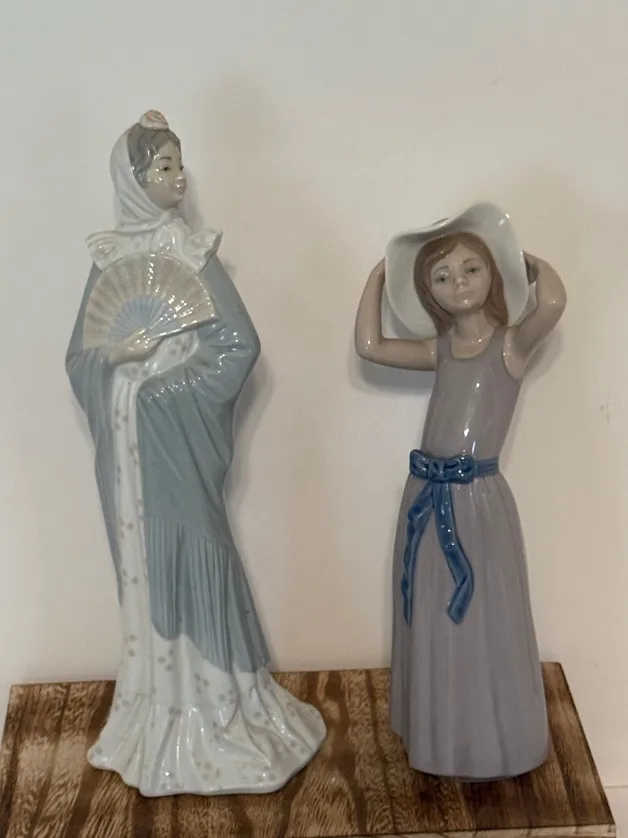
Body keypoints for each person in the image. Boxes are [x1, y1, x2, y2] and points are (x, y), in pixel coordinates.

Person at [66, 111, 325, 796]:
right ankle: (156, 704)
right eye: (163, 167)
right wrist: (116, 359)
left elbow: (239, 345)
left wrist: (165, 390)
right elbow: (79, 358)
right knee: (142, 568)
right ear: (133, 179)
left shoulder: (190, 252)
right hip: (126, 453)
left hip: (173, 438)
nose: (178, 178)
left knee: (198, 549)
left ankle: (215, 704)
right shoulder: (108, 260)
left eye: (180, 164)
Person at [354, 202, 566, 780]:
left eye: (473, 269)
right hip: (425, 497)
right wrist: (378, 276)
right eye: (442, 277)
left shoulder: (510, 347)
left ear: (493, 274)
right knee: (431, 612)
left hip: (477, 500)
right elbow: (370, 346)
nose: (460, 283)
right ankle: (441, 738)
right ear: (429, 293)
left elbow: (551, 303)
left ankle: (493, 739)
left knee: (482, 615)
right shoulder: (440, 350)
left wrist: (523, 260)